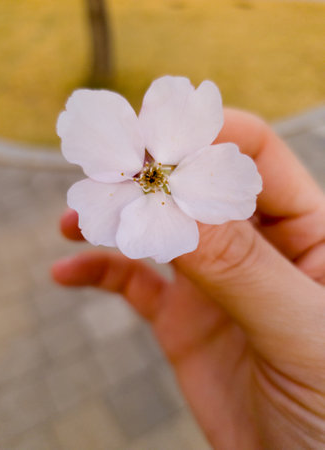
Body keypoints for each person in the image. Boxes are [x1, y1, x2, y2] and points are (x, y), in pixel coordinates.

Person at [52, 108, 325, 449]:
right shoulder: (127, 182)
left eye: (152, 173)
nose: (150, 174)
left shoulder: (174, 181)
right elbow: (100, 213)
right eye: (148, 174)